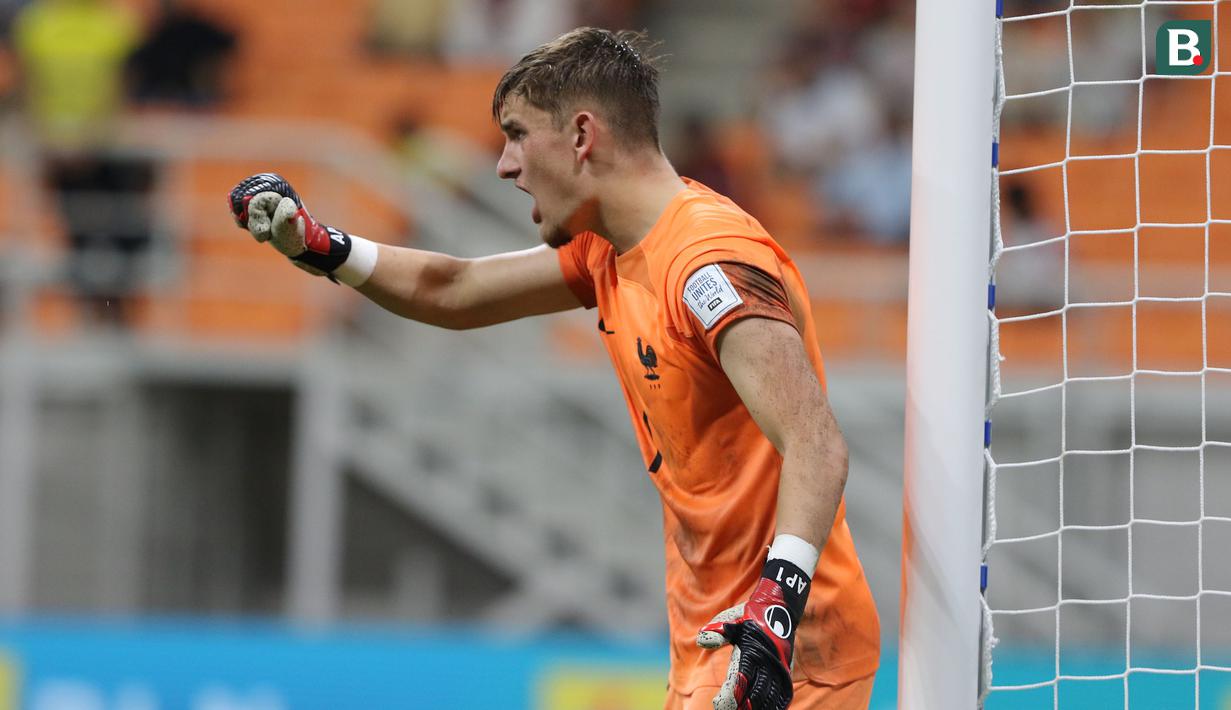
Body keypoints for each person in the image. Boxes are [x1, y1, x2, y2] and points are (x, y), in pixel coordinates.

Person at [228, 28, 879, 710]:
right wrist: (321, 245)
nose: (505, 165)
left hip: (783, 651)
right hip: (715, 637)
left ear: (581, 135)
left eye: (516, 134)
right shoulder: (614, 248)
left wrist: (774, 613)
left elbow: (814, 441)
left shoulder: (708, 260)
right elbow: (453, 290)